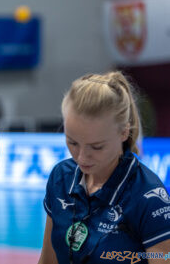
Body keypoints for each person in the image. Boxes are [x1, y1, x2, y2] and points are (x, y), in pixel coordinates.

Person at [38, 72, 170, 264]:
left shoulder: (149, 197)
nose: (82, 157)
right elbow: (48, 261)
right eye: (72, 142)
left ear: (124, 132)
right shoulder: (61, 177)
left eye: (96, 147)